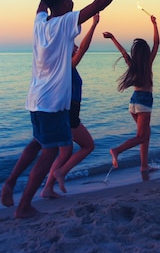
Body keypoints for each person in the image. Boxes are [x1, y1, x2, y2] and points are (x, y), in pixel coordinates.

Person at [0, 0, 134, 218]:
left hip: (35, 100)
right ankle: (25, 204)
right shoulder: (63, 24)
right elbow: (98, 4)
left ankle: (10, 182)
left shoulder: (40, 24)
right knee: (50, 151)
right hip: (53, 103)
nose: (73, 0)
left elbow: (42, 4)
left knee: (38, 142)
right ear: (63, 4)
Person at [40, 13, 100, 199]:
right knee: (87, 145)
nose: (75, 46)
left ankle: (48, 187)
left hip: (66, 113)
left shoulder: (63, 65)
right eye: (72, 45)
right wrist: (94, 24)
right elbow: (83, 48)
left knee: (67, 150)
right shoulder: (66, 65)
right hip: (68, 114)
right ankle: (59, 175)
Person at [103, 14, 159, 174]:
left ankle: (144, 166)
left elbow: (122, 51)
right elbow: (157, 43)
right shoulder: (148, 63)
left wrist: (113, 37)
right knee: (141, 136)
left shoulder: (132, 64)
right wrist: (155, 24)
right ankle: (117, 151)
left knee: (145, 134)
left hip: (133, 102)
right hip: (144, 102)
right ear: (146, 52)